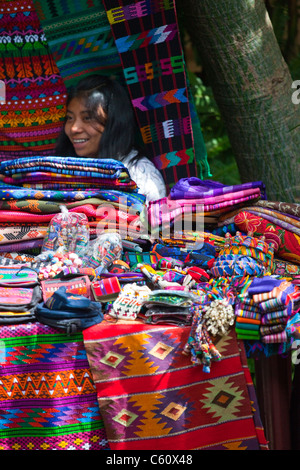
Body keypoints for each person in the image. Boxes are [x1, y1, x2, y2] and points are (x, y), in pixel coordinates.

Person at [55, 74, 166, 204]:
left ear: (113, 122)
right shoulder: (65, 171)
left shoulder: (139, 174)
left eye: (87, 118)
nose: (74, 128)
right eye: (70, 118)